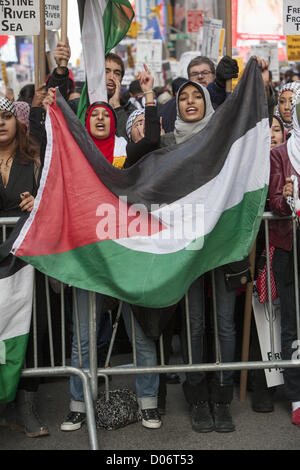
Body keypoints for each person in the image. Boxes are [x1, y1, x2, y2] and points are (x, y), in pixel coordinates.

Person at [39, 90, 128, 431]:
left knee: (137, 330)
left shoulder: (125, 153)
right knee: (83, 336)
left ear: (113, 120)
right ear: (85, 123)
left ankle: (149, 403)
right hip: (87, 255)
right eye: (93, 115)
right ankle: (78, 404)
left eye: (106, 114)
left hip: (123, 253)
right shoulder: (72, 153)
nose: (101, 118)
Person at [0, 96, 51, 438]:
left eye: (5, 116)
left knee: (32, 331)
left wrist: (38, 202)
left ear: (15, 122)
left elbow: (52, 198)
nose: (0, 122)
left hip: (25, 262)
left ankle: (25, 406)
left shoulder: (32, 160)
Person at [249, 114, 285, 413]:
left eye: (277, 129)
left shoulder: (290, 161)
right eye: (267, 130)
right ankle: (261, 387)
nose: (272, 135)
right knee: (260, 322)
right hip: (258, 254)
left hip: (285, 249)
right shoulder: (252, 168)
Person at [269, 90, 300, 427]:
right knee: (293, 322)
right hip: (291, 245)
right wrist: (285, 197)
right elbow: (275, 202)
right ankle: (296, 394)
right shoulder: (280, 153)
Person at [47, 42, 136, 139]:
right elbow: (55, 105)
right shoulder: (79, 107)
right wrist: (61, 69)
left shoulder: (130, 111)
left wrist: (117, 108)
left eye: (117, 73)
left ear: (121, 79)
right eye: (106, 71)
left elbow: (128, 142)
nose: (111, 77)